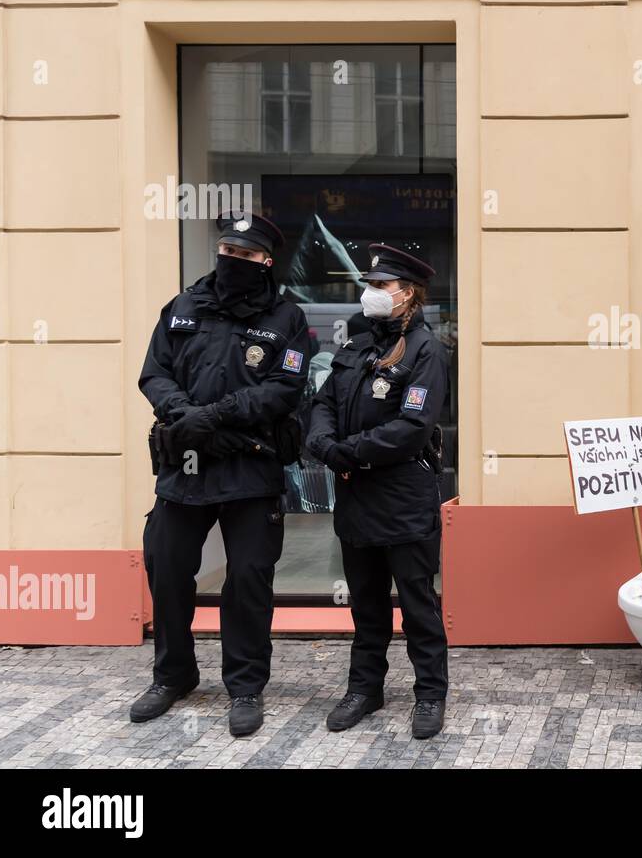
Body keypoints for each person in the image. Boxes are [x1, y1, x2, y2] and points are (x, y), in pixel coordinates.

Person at [134, 212, 312, 736]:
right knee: (167, 571)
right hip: (184, 469)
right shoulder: (182, 307)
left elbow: (284, 389)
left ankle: (245, 686)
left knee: (248, 582)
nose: (233, 261)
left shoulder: (287, 319)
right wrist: (182, 412)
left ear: (266, 261)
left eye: (245, 255)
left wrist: (214, 415)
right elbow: (154, 372)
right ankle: (173, 675)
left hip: (250, 470)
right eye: (227, 251)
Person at [305, 243, 452, 739]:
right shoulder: (358, 345)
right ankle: (365, 689)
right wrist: (323, 442)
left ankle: (430, 694)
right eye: (369, 285)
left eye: (380, 286)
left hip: (403, 497)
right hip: (356, 498)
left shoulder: (426, 351)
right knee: (366, 605)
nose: (370, 293)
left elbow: (413, 425)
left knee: (416, 604)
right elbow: (324, 400)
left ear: (407, 293)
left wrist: (349, 452)